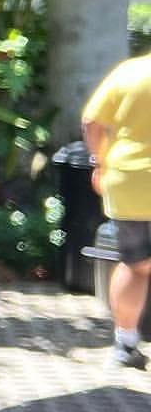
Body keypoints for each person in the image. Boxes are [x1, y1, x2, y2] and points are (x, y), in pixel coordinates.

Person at [82, 49, 151, 369]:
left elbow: (91, 121)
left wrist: (99, 161)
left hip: (128, 180)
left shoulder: (129, 72)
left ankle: (125, 344)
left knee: (134, 265)